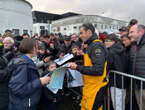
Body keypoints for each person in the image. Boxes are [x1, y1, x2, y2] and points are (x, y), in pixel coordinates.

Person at [68, 24, 108, 110]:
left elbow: (98, 70)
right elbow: (89, 63)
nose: (80, 35)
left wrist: (77, 67)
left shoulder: (96, 46)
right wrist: (76, 63)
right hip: (89, 86)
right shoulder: (91, 45)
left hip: (96, 87)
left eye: (81, 33)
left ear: (89, 32)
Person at [8, 38, 51, 110]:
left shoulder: (24, 61)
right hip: (23, 105)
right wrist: (39, 81)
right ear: (32, 48)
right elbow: (18, 89)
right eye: (36, 47)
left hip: (25, 103)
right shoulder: (23, 64)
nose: (38, 50)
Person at [104, 34, 128, 110]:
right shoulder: (121, 48)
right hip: (122, 79)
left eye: (107, 41)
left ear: (113, 42)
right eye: (105, 41)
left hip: (115, 80)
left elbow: (108, 65)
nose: (105, 43)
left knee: (117, 103)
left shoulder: (111, 51)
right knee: (120, 102)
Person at [129, 24, 145, 110]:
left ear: (141, 32)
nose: (129, 35)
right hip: (137, 86)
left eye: (132, 32)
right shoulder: (134, 46)